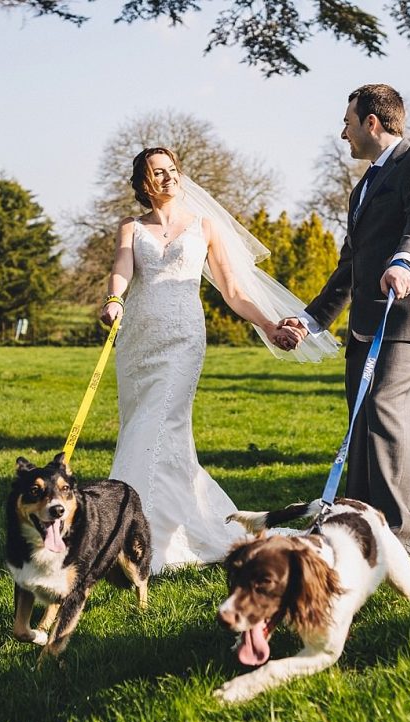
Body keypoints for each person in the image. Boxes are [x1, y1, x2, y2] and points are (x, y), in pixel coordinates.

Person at [100, 146, 337, 574]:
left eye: (173, 170)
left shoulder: (204, 226)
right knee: (140, 426)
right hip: (138, 339)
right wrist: (115, 298)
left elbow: (233, 291)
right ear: (143, 182)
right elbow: (121, 269)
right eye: (159, 172)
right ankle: (157, 523)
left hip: (183, 339)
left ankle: (138, 541)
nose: (169, 178)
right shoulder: (130, 228)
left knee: (159, 422)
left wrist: (268, 325)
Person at [280, 84, 410, 556]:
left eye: (347, 123)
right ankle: (361, 538)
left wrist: (404, 261)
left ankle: (400, 542)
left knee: (385, 417)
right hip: (366, 325)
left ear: (372, 123)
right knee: (361, 428)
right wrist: (312, 320)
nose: (343, 134)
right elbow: (350, 265)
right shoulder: (361, 189)